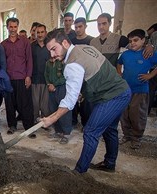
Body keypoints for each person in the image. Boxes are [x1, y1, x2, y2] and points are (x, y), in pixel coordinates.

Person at [42, 29, 131, 174]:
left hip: (112, 96)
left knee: (90, 131)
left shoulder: (71, 65)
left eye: (54, 49)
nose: (52, 55)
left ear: (64, 43)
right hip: (122, 90)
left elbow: (69, 101)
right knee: (109, 129)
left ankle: (78, 172)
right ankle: (109, 163)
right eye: (50, 51)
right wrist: (82, 92)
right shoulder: (83, 48)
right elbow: (92, 71)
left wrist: (52, 118)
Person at [117, 29, 157, 149]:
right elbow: (119, 64)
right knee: (124, 114)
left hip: (140, 90)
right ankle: (126, 135)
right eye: (130, 41)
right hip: (125, 89)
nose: (133, 43)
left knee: (137, 114)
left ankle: (136, 137)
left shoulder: (147, 54)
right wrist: (119, 74)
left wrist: (150, 75)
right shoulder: (125, 54)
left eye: (136, 40)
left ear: (143, 40)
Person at [0, 18, 35, 138]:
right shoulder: (3, 44)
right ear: (7, 27)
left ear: (18, 27)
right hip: (8, 79)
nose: (13, 29)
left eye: (15, 27)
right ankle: (12, 126)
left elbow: (29, 60)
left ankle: (29, 127)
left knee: (25, 104)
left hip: (22, 77)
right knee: (10, 104)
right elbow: (2, 63)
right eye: (11, 27)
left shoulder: (25, 42)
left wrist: (28, 76)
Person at [44, 57, 71, 144]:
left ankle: (66, 133)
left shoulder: (63, 62)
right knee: (53, 109)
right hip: (51, 88)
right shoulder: (48, 62)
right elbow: (46, 74)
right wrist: (49, 84)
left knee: (63, 110)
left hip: (61, 87)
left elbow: (65, 76)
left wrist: (54, 84)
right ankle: (58, 131)